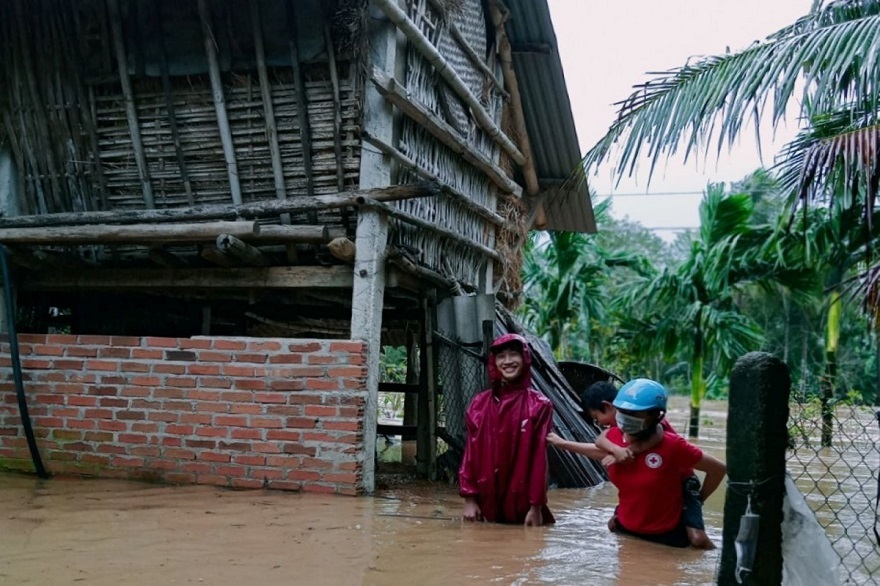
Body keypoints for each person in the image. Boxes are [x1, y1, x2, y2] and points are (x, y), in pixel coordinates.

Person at [548, 378, 726, 548]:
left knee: (697, 538)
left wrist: (699, 499)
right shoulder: (614, 435)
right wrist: (563, 444)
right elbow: (600, 443)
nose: (625, 417)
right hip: (637, 509)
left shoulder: (668, 440)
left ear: (654, 415)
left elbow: (717, 468)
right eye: (623, 411)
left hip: (683, 485)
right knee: (613, 526)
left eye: (633, 413)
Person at [459, 333, 555, 526]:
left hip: (523, 507)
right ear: (494, 362)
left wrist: (536, 506)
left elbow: (539, 459)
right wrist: (469, 498)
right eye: (501, 356)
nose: (508, 361)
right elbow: (470, 453)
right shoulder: (479, 404)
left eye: (514, 354)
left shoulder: (539, 405)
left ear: (525, 359)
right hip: (484, 504)